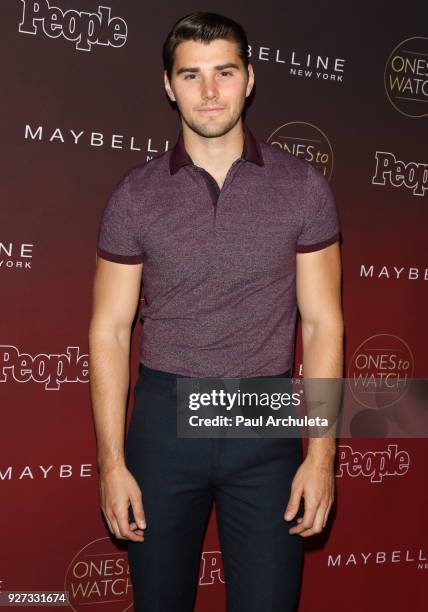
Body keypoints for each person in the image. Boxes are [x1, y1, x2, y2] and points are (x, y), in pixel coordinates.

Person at [89, 11, 343, 612]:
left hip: (265, 412)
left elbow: (323, 324)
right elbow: (110, 329)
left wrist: (322, 456)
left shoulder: (303, 186)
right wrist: (111, 463)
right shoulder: (135, 196)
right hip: (163, 415)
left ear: (250, 79)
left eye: (224, 72)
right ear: (168, 86)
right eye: (192, 75)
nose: (209, 92)